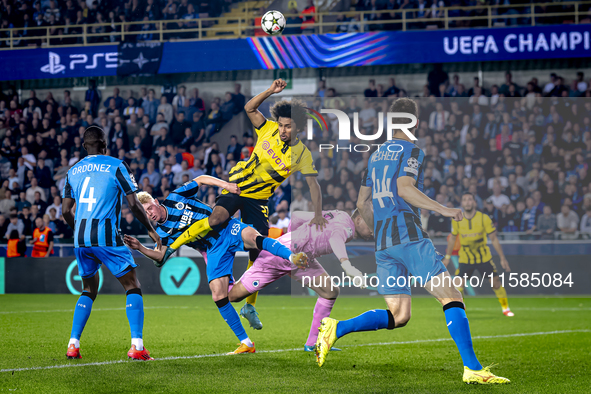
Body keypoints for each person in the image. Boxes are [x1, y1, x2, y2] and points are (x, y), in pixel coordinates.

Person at [314, 98, 509, 385]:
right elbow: (405, 189)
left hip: (384, 246)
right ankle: (473, 368)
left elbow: (361, 202)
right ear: (415, 123)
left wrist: (379, 227)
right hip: (409, 236)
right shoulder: (411, 149)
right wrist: (443, 209)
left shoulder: (375, 155)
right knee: (452, 296)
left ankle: (336, 327)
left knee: (399, 315)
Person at [157, 79, 327, 330]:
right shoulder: (267, 129)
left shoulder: (302, 154)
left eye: (288, 127)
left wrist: (318, 214)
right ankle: (173, 246)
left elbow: (314, 185)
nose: (282, 130)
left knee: (257, 251)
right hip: (238, 187)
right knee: (216, 219)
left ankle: (250, 305)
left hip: (259, 200)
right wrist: (270, 91)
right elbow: (249, 108)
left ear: (298, 128)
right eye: (280, 125)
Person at [122, 177, 307, 355]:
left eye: (148, 209)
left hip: (226, 227)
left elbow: (201, 179)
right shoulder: (161, 233)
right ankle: (246, 343)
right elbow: (160, 257)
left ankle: (291, 257)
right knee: (219, 295)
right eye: (145, 214)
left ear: (155, 201)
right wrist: (141, 247)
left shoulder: (175, 197)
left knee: (254, 238)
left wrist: (225, 184)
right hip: (212, 249)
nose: (150, 214)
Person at [61, 125, 161, 361]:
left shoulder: (72, 171)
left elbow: (66, 210)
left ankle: (73, 344)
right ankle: (137, 347)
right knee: (132, 285)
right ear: (105, 145)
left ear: (84, 146)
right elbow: (134, 204)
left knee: (88, 289)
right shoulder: (117, 165)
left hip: (81, 239)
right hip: (106, 236)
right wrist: (151, 230)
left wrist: (78, 230)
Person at [229, 210, 373, 352]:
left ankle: (313, 343)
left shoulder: (339, 215)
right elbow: (335, 238)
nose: (373, 231)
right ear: (359, 219)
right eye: (371, 225)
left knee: (330, 291)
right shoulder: (347, 229)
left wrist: (295, 239)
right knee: (232, 296)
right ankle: (220, 268)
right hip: (280, 256)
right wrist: (347, 266)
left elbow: (297, 216)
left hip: (301, 258)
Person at [443, 193, 514, 317]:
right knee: (458, 284)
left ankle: (505, 308)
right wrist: (447, 258)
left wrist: (502, 258)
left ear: (474, 202)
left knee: (495, 283)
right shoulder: (457, 220)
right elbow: (452, 239)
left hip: (483, 258)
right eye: (465, 200)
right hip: (465, 258)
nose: (467, 202)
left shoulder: (483, 218)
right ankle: (461, 309)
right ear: (462, 204)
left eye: (470, 199)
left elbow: (494, 239)